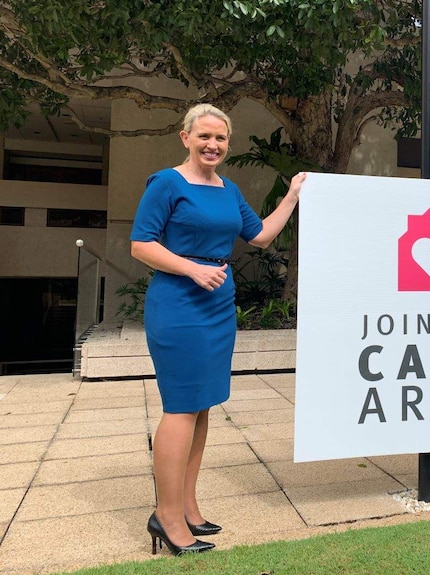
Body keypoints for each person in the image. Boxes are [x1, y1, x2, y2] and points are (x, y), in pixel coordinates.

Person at [130, 103, 306, 555]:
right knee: (182, 407)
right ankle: (165, 516)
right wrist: (191, 268)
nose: (213, 145)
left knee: (204, 405)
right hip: (179, 304)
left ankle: (187, 506)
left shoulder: (228, 190)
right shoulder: (166, 183)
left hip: (218, 305)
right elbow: (141, 244)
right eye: (204, 136)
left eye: (221, 139)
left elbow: (261, 236)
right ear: (185, 137)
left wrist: (292, 195)